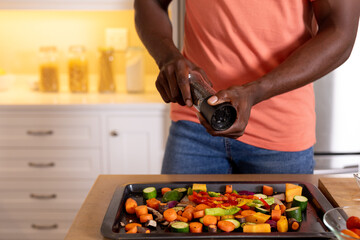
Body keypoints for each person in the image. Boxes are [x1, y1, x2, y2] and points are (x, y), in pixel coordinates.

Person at [134, 0, 359, 174]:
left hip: (280, 134)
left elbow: (340, 32)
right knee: (176, 231)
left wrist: (254, 91)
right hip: (195, 121)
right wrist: (168, 58)